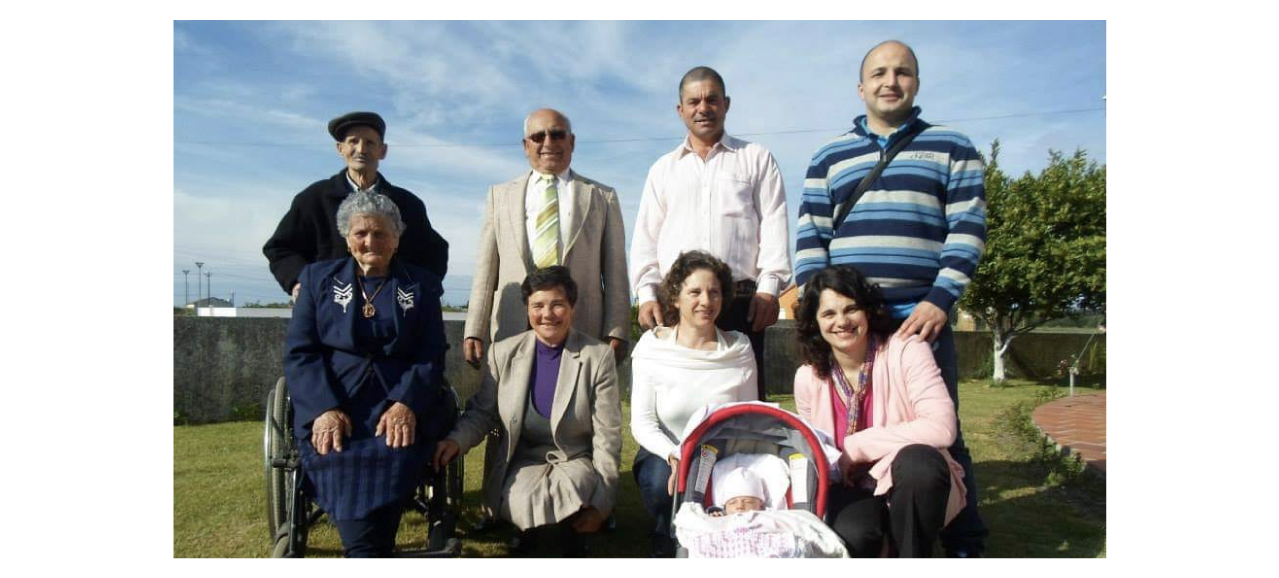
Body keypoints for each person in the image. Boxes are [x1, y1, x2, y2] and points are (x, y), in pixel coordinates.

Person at [792, 40, 988, 557]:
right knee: (842, 422)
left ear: (916, 83)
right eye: (879, 72)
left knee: (939, 435)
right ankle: (864, 518)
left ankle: (963, 539)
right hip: (846, 319)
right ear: (861, 87)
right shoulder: (829, 157)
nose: (890, 81)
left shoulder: (952, 146)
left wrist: (941, 298)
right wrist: (820, 309)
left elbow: (967, 228)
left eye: (902, 72)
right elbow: (811, 237)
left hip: (918, 319)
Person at [461, 108, 630, 530]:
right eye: (538, 136)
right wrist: (475, 327)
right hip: (512, 326)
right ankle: (495, 504)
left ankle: (596, 500)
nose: (548, 143)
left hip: (581, 326)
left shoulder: (601, 196)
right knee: (504, 418)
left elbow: (616, 268)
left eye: (557, 134)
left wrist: (616, 328)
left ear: (572, 142)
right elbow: (486, 266)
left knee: (583, 422)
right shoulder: (500, 195)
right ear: (525, 145)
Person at [282, 191, 448, 557]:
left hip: (397, 401)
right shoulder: (317, 280)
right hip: (335, 401)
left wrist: (406, 403)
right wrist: (323, 409)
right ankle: (366, 549)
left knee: (396, 451)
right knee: (335, 454)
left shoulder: (420, 285)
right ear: (347, 238)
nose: (370, 241)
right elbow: (300, 352)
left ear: (396, 238)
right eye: (361, 233)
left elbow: (431, 353)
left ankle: (366, 550)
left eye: (380, 233)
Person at [434, 266, 622, 557]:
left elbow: (607, 437)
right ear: (527, 309)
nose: (547, 314)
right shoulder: (502, 353)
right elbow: (481, 414)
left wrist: (602, 503)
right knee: (527, 501)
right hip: (522, 463)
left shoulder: (597, 357)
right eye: (538, 305)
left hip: (574, 460)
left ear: (572, 307)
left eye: (557, 304)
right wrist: (456, 441)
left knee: (564, 496)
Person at [630, 66, 791, 401]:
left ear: (726, 104)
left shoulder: (756, 159)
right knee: (677, 399)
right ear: (681, 110)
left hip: (742, 304)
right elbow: (646, 238)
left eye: (711, 99)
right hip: (678, 304)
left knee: (742, 402)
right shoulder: (663, 170)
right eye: (694, 101)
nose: (703, 108)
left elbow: (774, 225)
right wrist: (646, 294)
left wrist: (769, 290)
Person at [792, 265, 967, 558]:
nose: (842, 321)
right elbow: (814, 452)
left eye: (851, 309)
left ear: (867, 312)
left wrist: (858, 445)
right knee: (855, 535)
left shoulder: (907, 350)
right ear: (815, 322)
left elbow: (942, 428)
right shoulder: (807, 378)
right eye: (829, 314)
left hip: (906, 481)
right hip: (849, 487)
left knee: (920, 463)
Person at [630, 250, 757, 557]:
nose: (706, 301)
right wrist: (676, 456)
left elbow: (750, 420)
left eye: (714, 292)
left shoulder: (740, 348)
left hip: (723, 453)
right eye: (695, 292)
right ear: (675, 298)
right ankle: (665, 535)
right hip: (666, 451)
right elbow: (643, 423)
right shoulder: (652, 346)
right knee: (661, 485)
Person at [264, 111, 449, 301]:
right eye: (353, 141)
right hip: (328, 306)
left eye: (369, 143)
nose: (361, 149)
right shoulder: (314, 199)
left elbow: (434, 252)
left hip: (391, 308)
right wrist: (299, 282)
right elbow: (280, 248)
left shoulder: (407, 204)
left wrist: (419, 291)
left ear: (383, 151)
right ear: (340, 148)